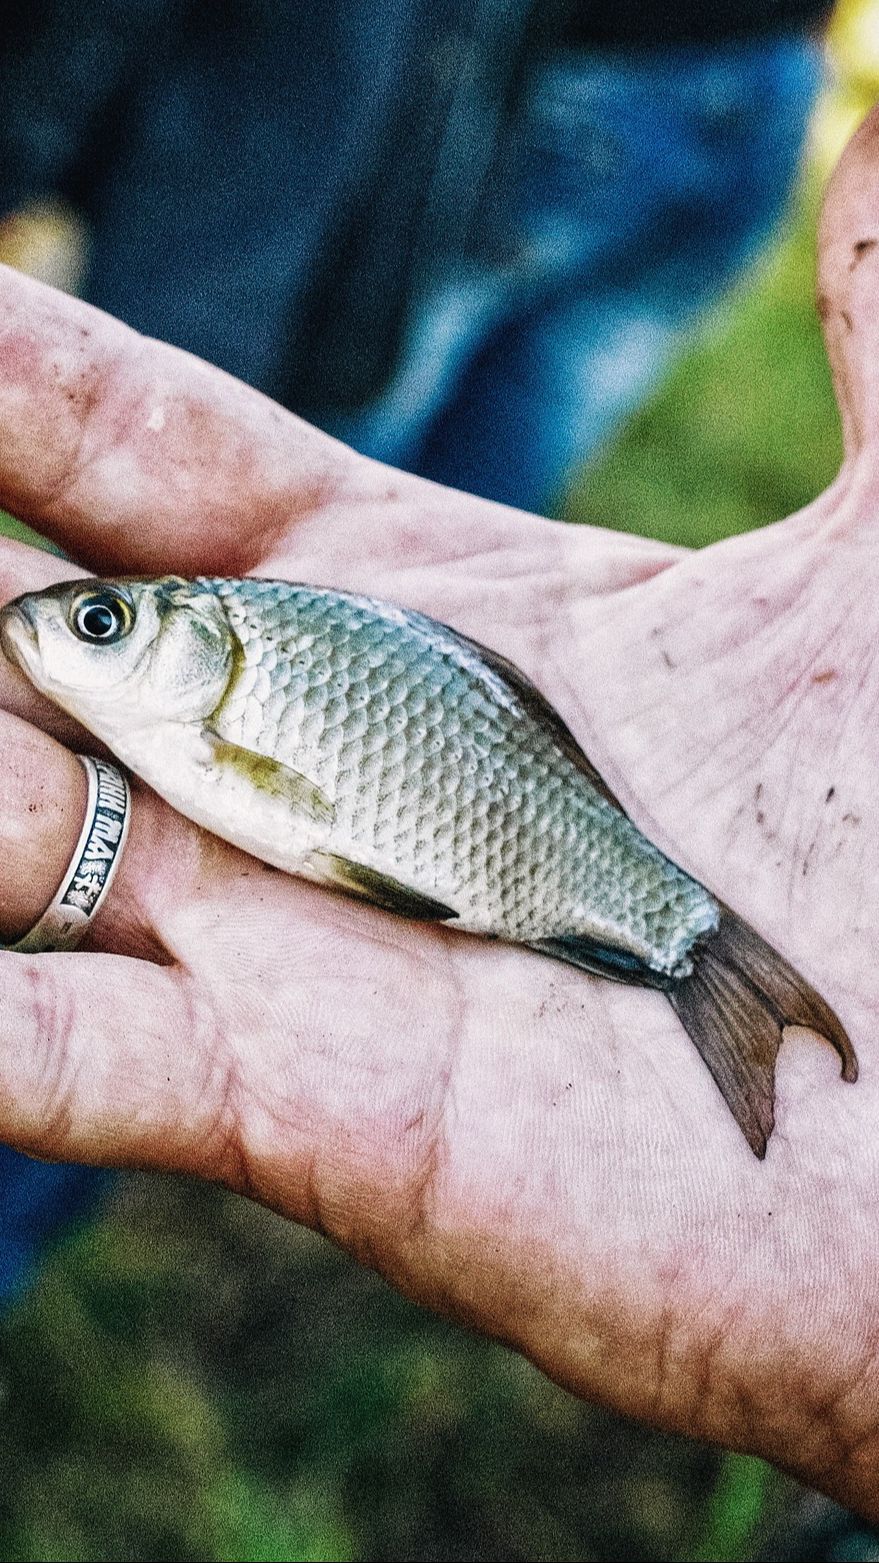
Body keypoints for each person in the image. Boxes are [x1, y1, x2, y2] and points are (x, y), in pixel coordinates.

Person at [0, 100, 876, 1516]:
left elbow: (296, 795)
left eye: (100, 628)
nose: (57, 634)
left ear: (190, 651)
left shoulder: (230, 690)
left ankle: (692, 950)